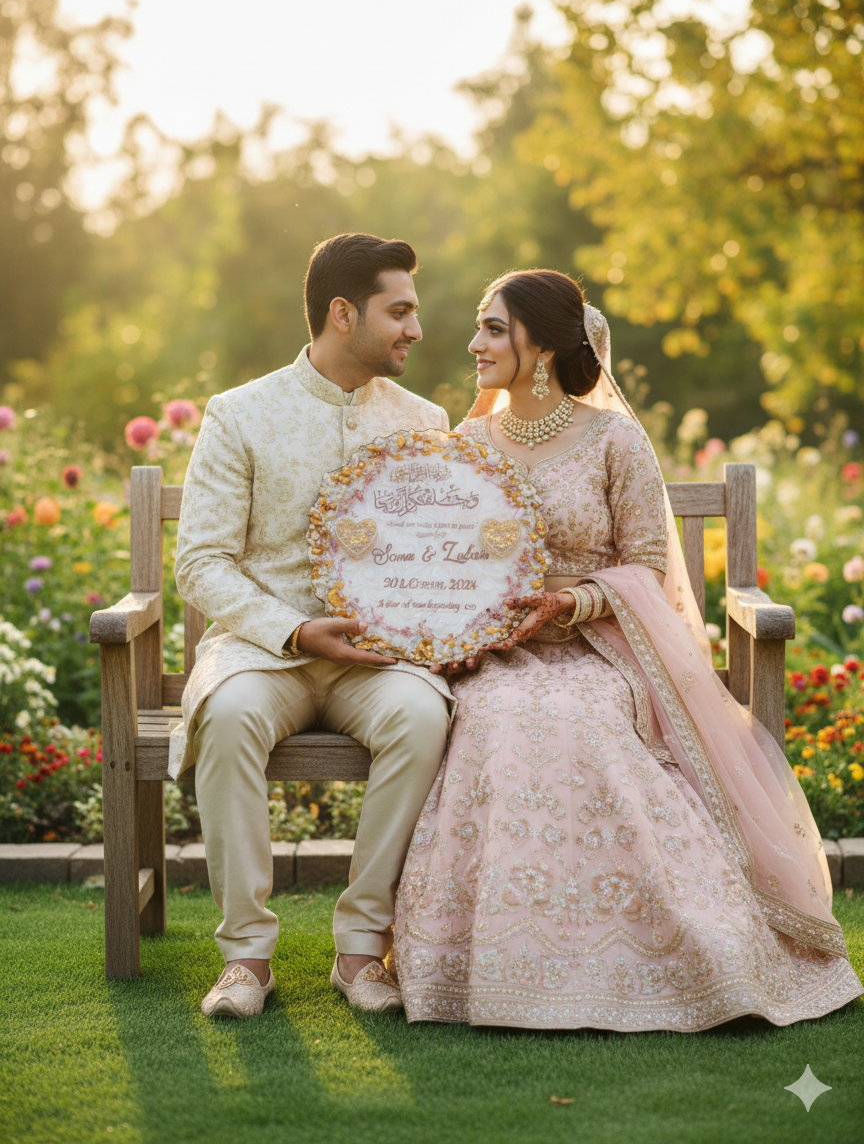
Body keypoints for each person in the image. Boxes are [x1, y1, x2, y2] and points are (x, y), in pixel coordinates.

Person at [393, 268, 863, 1031]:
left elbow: (645, 564)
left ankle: (663, 946)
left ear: (541, 345)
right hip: (499, 656)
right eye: (479, 327)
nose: (473, 344)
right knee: (497, 717)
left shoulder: (614, 440)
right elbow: (444, 562)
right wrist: (457, 636)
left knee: (582, 719)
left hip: (600, 648)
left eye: (492, 328)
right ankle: (490, 960)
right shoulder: (468, 441)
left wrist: (570, 602)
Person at [172, 233, 453, 1018]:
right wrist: (295, 631)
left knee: (424, 716)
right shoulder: (240, 415)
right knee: (225, 718)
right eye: (399, 312)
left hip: (379, 659)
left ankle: (363, 950)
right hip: (265, 652)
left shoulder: (425, 419)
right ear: (342, 313)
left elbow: (445, 551)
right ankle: (246, 961)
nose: (415, 330)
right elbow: (200, 564)